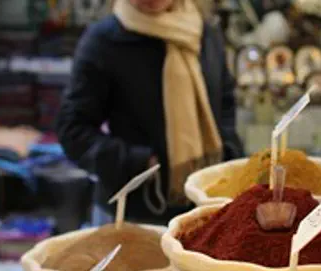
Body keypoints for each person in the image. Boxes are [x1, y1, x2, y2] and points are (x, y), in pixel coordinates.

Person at [56, 0, 244, 224]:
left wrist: (226, 155)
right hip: (131, 214)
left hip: (204, 210)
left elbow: (224, 104)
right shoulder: (104, 40)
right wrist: (138, 161)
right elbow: (73, 129)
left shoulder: (205, 34)